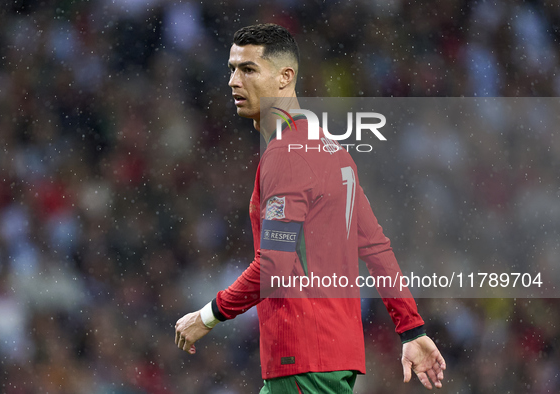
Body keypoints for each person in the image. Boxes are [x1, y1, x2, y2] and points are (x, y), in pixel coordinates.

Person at [175, 23, 446, 393]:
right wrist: (411, 329)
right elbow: (375, 247)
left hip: (301, 359)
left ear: (285, 77)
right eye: (232, 69)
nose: (234, 82)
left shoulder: (286, 156)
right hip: (331, 357)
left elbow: (274, 264)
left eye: (248, 69)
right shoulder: (334, 152)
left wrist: (207, 316)